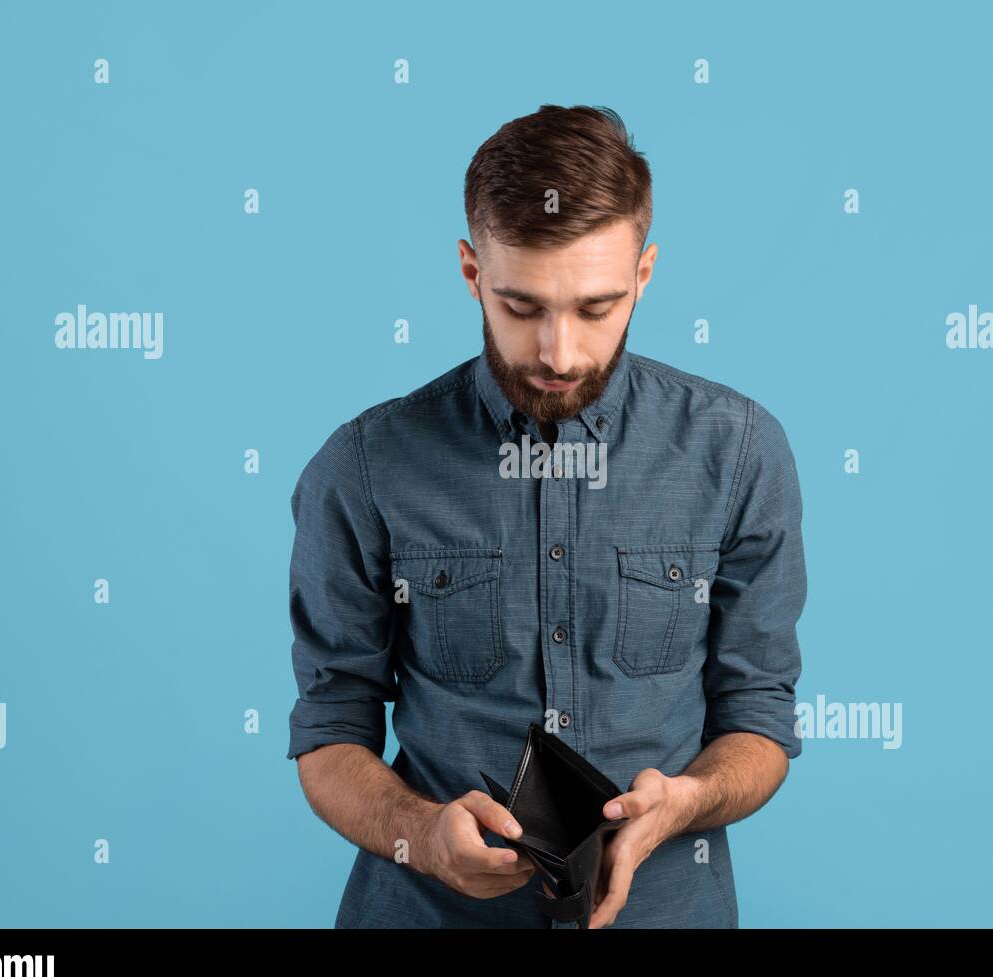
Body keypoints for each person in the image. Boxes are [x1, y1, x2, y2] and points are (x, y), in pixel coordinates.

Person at [287, 104, 807, 929]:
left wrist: (690, 800)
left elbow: (759, 718)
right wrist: (421, 834)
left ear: (643, 274)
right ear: (470, 272)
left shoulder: (740, 452)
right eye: (522, 307)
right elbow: (329, 729)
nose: (559, 354)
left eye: (596, 308)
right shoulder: (364, 467)